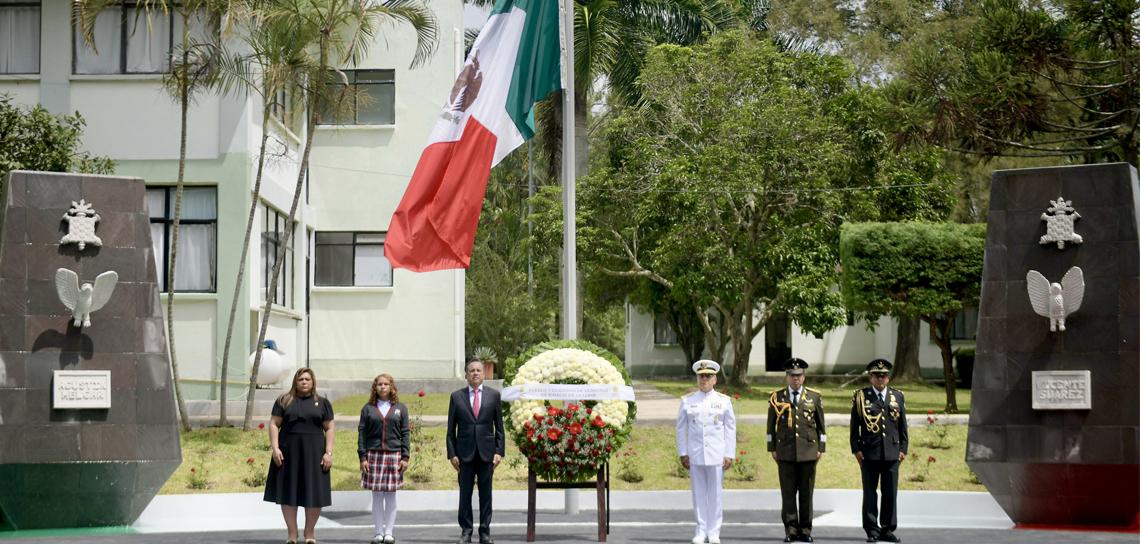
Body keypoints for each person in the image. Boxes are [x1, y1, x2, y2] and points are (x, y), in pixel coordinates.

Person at [264, 367, 335, 544]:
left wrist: (328, 453)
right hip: (288, 453)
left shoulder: (323, 403)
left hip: (314, 453)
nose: (304, 382)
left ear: (313, 382)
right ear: (295, 381)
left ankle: (309, 534)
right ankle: (292, 535)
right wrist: (275, 448)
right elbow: (274, 424)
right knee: (288, 492)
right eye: (300, 379)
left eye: (307, 379)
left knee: (314, 493)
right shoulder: (284, 400)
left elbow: (330, 428)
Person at [676, 359, 736, 544]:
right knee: (698, 494)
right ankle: (701, 530)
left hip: (717, 455)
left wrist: (729, 454)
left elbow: (730, 428)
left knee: (716, 495)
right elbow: (680, 428)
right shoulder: (688, 401)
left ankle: (714, 532)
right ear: (697, 378)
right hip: (695, 454)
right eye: (701, 376)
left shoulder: (723, 402)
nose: (704, 380)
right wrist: (683, 452)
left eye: (708, 376)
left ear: (715, 380)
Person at [767, 357, 826, 543]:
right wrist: (772, 448)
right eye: (792, 376)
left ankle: (806, 530)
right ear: (787, 377)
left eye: (799, 375)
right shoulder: (777, 398)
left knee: (807, 494)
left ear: (804, 376)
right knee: (788, 494)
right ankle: (791, 530)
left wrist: (821, 448)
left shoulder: (814, 397)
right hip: (785, 452)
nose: (796, 379)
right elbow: (770, 427)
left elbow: (821, 427)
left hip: (809, 451)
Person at [850, 358, 908, 543]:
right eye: (877, 375)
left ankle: (887, 529)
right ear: (870, 377)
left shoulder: (897, 396)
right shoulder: (861, 396)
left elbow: (902, 426)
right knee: (870, 493)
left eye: (883, 375)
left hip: (892, 452)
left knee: (890, 493)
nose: (880, 379)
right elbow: (854, 427)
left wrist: (904, 449)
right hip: (869, 453)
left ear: (888, 378)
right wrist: (856, 449)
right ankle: (872, 531)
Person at [446, 359, 504, 544]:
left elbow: (499, 427)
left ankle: (485, 532)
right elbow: (450, 430)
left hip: (487, 454)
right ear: (466, 375)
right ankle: (466, 531)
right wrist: (452, 454)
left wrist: (499, 451)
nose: (476, 373)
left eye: (479, 370)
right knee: (465, 495)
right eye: (472, 370)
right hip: (464, 454)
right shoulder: (456, 397)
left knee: (486, 495)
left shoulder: (494, 396)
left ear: (484, 374)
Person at [358, 373, 411, 544]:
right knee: (377, 496)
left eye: (386, 384)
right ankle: (378, 532)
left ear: (391, 387)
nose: (382, 387)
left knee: (391, 496)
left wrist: (405, 456)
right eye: (379, 384)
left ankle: (389, 532)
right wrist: (363, 457)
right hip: (373, 455)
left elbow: (405, 433)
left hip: (394, 455)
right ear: (375, 387)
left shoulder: (400, 408)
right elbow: (362, 434)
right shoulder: (367, 408)